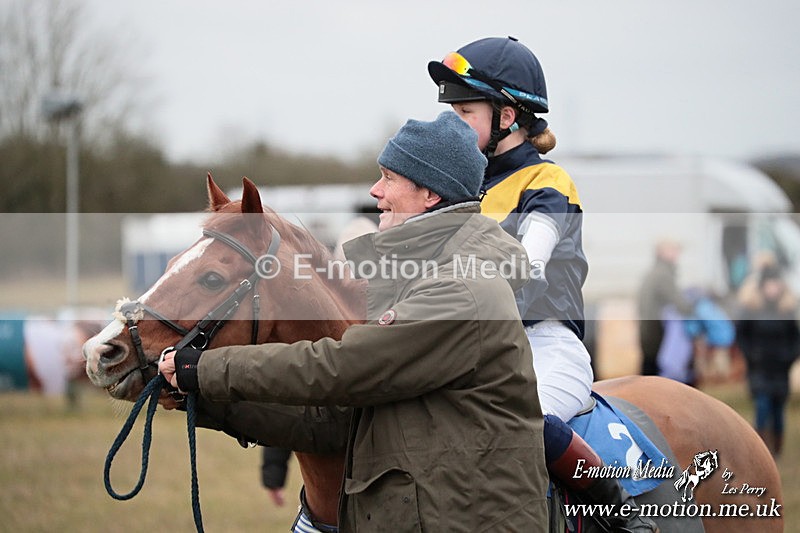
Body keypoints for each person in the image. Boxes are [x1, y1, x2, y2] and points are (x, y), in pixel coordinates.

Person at [160, 111, 549, 531]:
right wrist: (199, 399)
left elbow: (344, 368)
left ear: (431, 195)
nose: (375, 190)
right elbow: (335, 422)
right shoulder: (415, 278)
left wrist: (206, 369)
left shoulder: (464, 288)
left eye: (389, 178)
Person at [429, 36, 657, 531]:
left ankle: (623, 518)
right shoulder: (459, 192)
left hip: (544, 346)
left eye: (464, 111)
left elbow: (526, 264)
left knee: (519, 425)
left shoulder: (548, 181)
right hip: (469, 346)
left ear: (506, 118)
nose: (450, 124)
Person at [735, 264, 800, 457]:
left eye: (776, 284)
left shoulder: (786, 310)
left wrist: (789, 357)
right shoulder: (752, 309)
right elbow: (741, 335)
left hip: (780, 370)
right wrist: (751, 355)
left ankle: (777, 450)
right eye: (769, 284)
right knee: (762, 407)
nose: (773, 288)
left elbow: (796, 339)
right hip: (759, 369)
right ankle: (760, 450)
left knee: (778, 411)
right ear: (762, 286)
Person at [638, 238, 694, 376]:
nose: (677, 253)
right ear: (661, 252)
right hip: (657, 335)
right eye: (673, 249)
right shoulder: (663, 275)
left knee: (648, 376)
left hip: (648, 333)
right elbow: (682, 305)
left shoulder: (653, 272)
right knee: (656, 381)